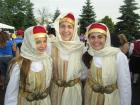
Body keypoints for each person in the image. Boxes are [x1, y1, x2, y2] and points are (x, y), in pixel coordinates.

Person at [82, 23, 131, 105]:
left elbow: (124, 85)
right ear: (88, 39)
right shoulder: (88, 55)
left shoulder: (118, 56)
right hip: (90, 98)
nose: (96, 41)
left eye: (100, 37)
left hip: (111, 100)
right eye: (92, 37)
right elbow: (83, 75)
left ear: (106, 38)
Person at [4, 26, 52, 105]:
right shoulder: (19, 64)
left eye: (44, 41)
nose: (43, 45)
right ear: (30, 42)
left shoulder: (48, 60)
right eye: (38, 42)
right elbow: (12, 93)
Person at [50, 12, 84, 105]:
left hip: (74, 94)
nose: (66, 30)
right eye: (62, 26)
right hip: (55, 93)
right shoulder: (51, 47)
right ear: (58, 28)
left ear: (74, 29)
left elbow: (85, 74)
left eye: (70, 27)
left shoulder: (81, 49)